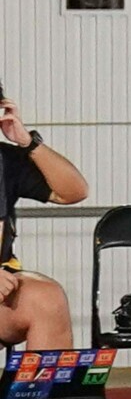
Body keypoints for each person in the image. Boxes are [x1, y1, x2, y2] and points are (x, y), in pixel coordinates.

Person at [0, 89, 88, 350]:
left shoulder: (5, 161)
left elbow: (73, 192)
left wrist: (28, 143)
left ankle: (39, 391)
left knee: (46, 298)